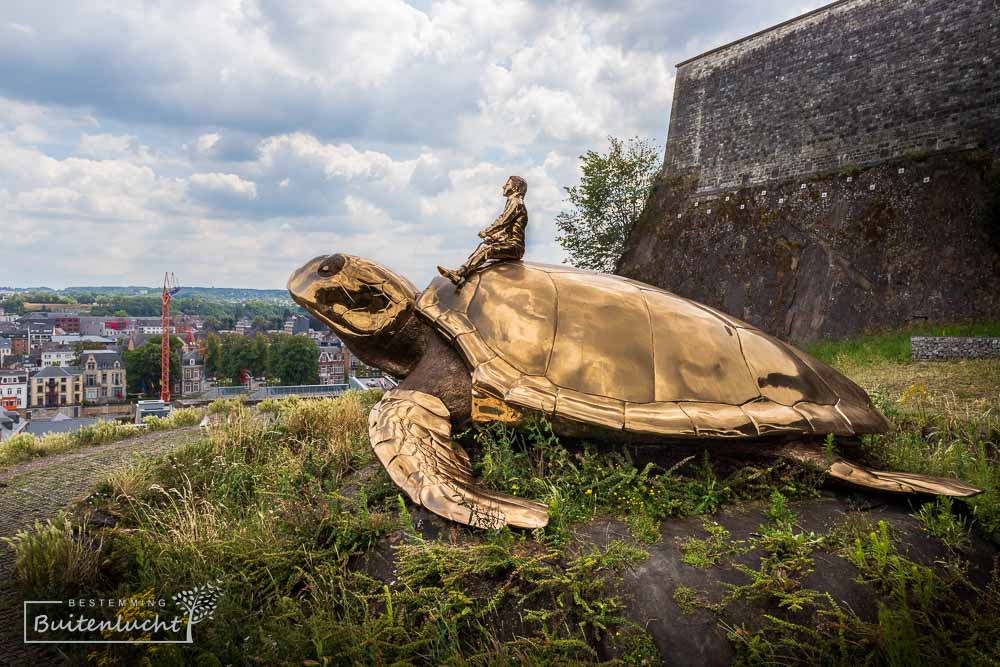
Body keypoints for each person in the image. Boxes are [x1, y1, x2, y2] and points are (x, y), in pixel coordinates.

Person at [437, 175, 527, 287]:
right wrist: (495, 236)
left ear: (516, 188)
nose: (503, 186)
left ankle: (460, 273)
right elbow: (507, 227)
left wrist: (488, 231)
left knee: (487, 249)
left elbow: (503, 220)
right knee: (484, 244)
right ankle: (463, 272)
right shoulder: (513, 202)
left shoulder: (516, 202)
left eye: (507, 184)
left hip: (514, 247)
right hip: (509, 242)